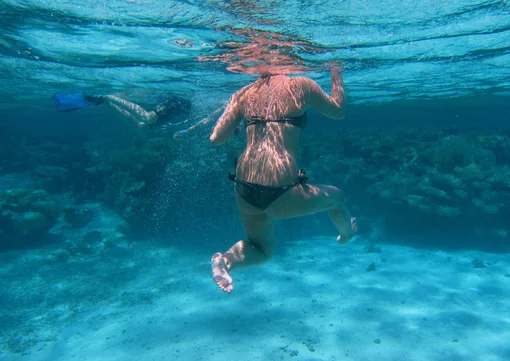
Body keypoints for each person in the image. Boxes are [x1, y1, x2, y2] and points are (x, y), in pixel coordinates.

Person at [209, 64, 357, 293]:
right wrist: (336, 71)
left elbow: (216, 138)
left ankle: (225, 262)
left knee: (261, 250)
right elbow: (338, 110)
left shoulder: (243, 94)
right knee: (338, 197)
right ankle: (347, 235)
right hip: (280, 188)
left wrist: (238, 119)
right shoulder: (299, 85)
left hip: (244, 188)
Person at [52, 92, 220, 140]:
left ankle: (103, 103)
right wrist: (187, 131)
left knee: (143, 130)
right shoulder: (226, 107)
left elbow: (199, 119)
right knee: (147, 118)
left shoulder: (223, 113)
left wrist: (181, 128)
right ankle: (108, 97)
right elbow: (207, 118)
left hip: (179, 110)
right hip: (178, 101)